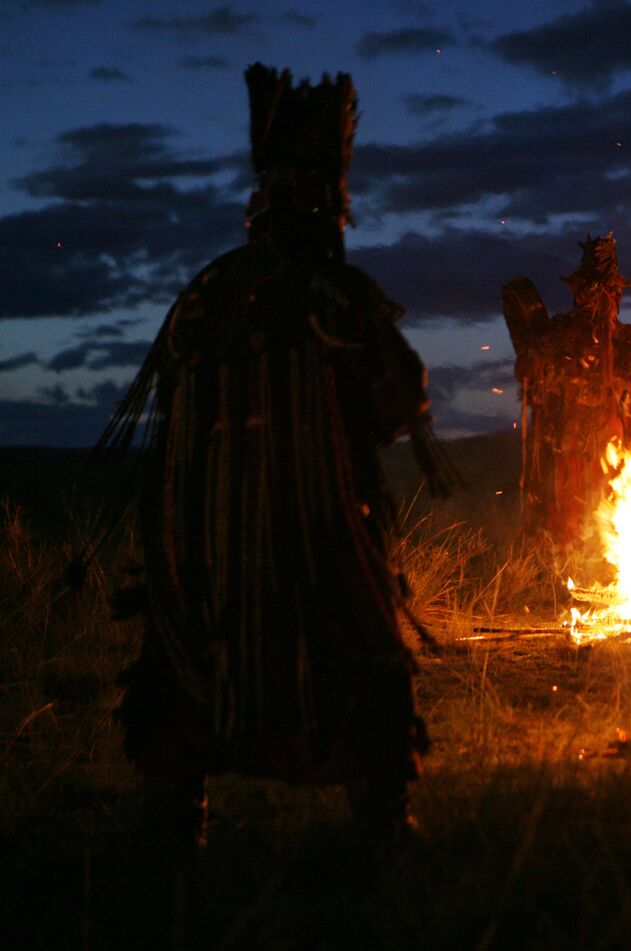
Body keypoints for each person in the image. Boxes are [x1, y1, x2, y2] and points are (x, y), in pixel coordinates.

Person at [93, 65, 444, 848]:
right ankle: (381, 820)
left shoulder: (203, 293)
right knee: (361, 651)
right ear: (329, 208)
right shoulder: (335, 297)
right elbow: (396, 404)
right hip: (316, 542)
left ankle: (175, 813)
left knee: (188, 659)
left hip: (205, 548)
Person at [502, 235, 631, 542]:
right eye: (588, 292)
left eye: (606, 293)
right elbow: (530, 377)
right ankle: (561, 557)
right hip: (564, 439)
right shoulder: (555, 334)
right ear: (578, 293)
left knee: (609, 502)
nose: (594, 300)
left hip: (613, 442)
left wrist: (629, 382)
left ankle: (606, 550)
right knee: (564, 503)